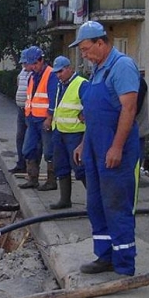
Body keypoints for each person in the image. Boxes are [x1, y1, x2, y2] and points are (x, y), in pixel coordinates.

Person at [71, 21, 140, 276]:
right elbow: (94, 114)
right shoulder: (98, 69)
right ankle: (105, 256)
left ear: (101, 43)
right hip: (94, 148)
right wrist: (83, 143)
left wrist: (117, 147)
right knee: (96, 204)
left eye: (87, 49)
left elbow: (129, 109)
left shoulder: (121, 67)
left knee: (116, 205)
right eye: (82, 51)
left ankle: (124, 263)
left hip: (114, 150)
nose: (85, 55)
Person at [49, 56, 88, 210]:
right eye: (56, 72)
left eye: (61, 71)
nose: (58, 75)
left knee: (80, 167)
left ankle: (93, 201)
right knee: (61, 166)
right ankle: (65, 200)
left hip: (75, 134)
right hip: (60, 131)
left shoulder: (81, 84)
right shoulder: (61, 85)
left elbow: (90, 104)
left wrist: (84, 113)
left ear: (70, 68)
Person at [18, 46, 58, 191]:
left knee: (49, 151)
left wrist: (49, 118)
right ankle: (32, 178)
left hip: (44, 120)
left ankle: (51, 180)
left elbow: (54, 99)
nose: (33, 67)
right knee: (28, 149)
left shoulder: (51, 74)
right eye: (31, 64)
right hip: (33, 119)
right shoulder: (33, 76)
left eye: (35, 63)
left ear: (41, 60)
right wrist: (28, 116)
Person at [9, 48, 32, 174]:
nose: (24, 65)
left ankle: (30, 166)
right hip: (21, 109)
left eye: (25, 62)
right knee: (20, 137)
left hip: (31, 111)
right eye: (23, 63)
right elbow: (19, 85)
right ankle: (21, 163)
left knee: (30, 141)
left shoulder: (34, 74)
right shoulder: (23, 72)